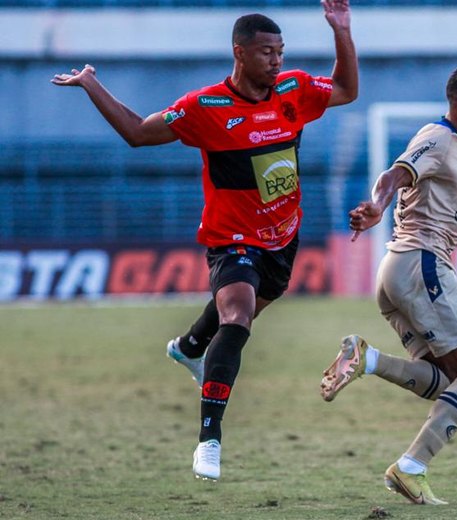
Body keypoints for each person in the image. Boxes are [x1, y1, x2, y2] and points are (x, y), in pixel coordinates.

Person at [51, 2, 358, 481]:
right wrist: (92, 84)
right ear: (240, 53)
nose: (276, 61)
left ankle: (190, 348)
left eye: (280, 52)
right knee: (236, 315)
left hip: (284, 233)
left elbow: (344, 90)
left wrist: (342, 30)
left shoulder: (294, 90)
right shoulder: (206, 106)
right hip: (231, 236)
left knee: (243, 311)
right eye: (265, 53)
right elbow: (137, 133)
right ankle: (209, 442)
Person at [319, 65, 457, 505]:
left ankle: (368, 359)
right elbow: (394, 175)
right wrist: (376, 205)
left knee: (450, 382)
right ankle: (410, 467)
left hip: (398, 271)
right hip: (422, 266)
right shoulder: (436, 139)